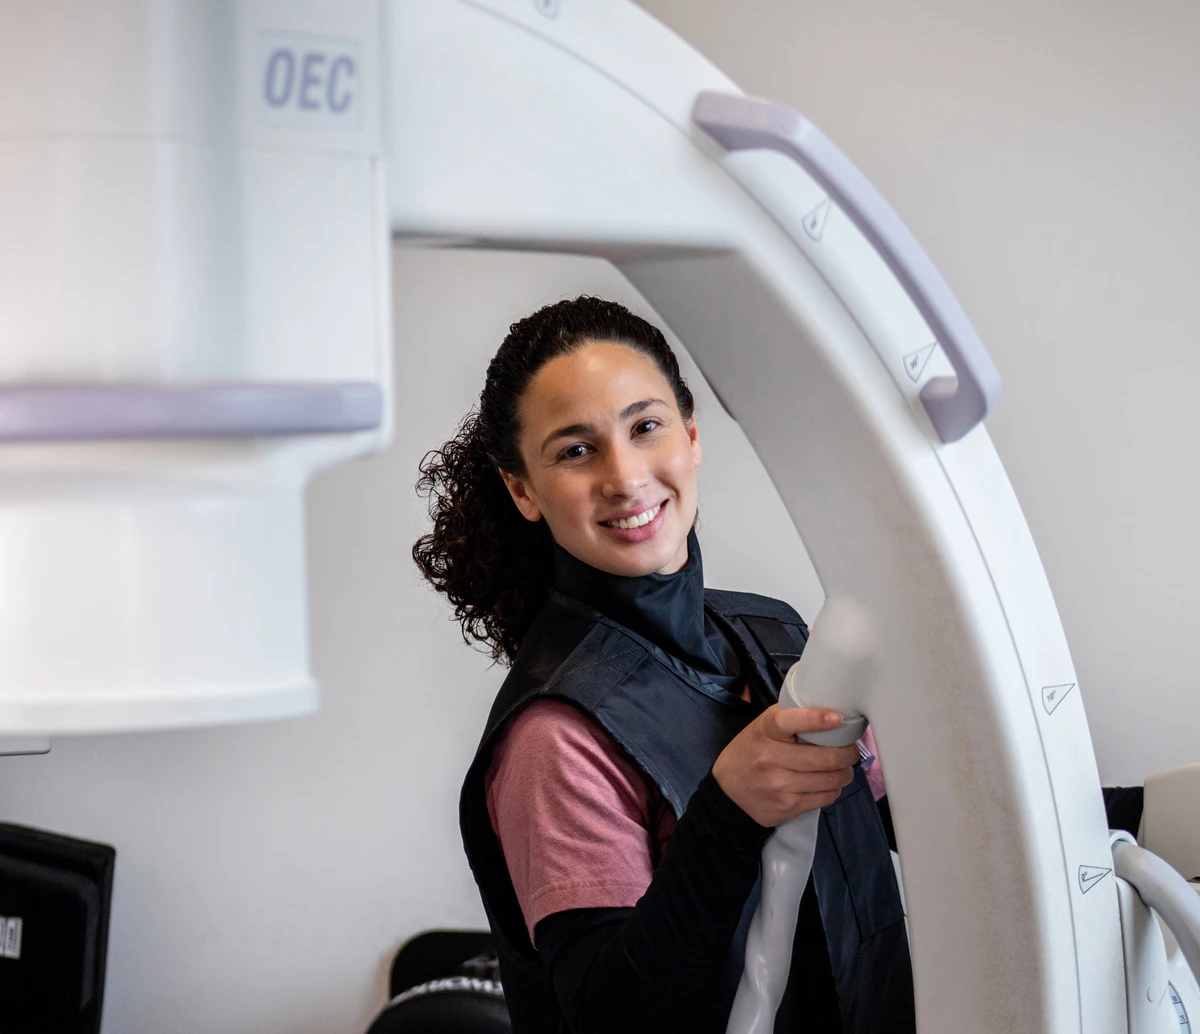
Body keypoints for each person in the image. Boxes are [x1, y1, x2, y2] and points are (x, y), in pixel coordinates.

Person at [413, 297, 913, 1034]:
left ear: (691, 435)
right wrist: (727, 814)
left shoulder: (776, 636)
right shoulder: (557, 736)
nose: (624, 476)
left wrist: (1133, 814)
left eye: (645, 427)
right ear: (522, 488)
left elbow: (921, 810)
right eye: (576, 450)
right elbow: (616, 1016)